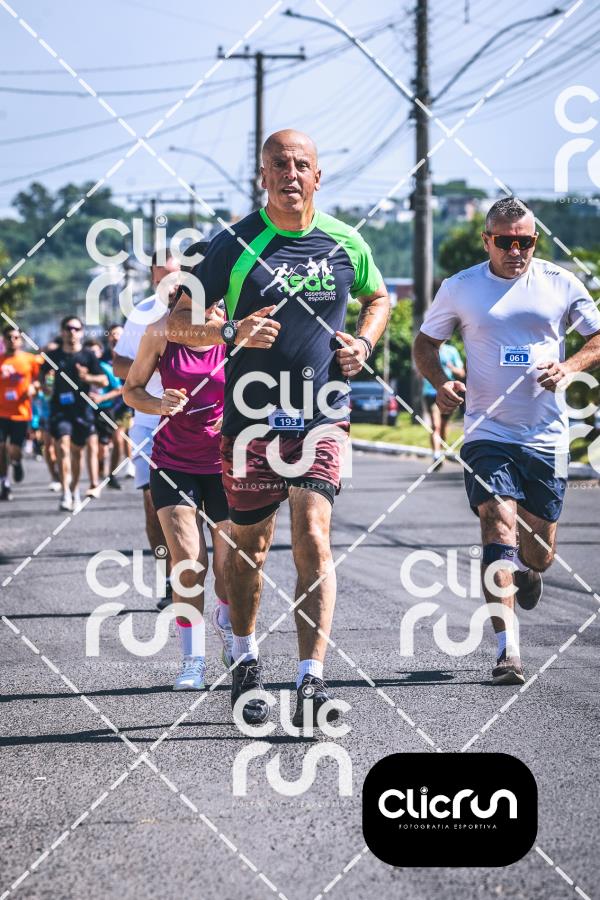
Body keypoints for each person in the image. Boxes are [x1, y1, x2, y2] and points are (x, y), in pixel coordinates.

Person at [167, 128, 389, 727]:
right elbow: (177, 323)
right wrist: (230, 332)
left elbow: (378, 298)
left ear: (318, 175)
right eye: (279, 165)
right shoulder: (233, 244)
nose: (291, 174)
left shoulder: (346, 241)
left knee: (314, 534)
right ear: (262, 176)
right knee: (250, 547)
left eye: (301, 164)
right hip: (250, 421)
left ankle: (311, 678)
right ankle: (243, 656)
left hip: (321, 413)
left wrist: (364, 342)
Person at [414, 197, 600, 685]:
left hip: (546, 437)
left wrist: (570, 366)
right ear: (487, 241)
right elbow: (425, 343)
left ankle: (529, 569)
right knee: (497, 524)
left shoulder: (560, 283)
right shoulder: (461, 287)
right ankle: (507, 652)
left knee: (538, 551)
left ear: (535, 241)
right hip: (486, 432)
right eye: (505, 242)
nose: (516, 251)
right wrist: (440, 382)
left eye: (526, 242)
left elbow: (597, 336)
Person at [124, 296, 230, 690]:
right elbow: (132, 390)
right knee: (188, 562)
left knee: (229, 569)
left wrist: (237, 416)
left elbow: (265, 392)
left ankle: (227, 620)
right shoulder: (160, 333)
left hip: (226, 464)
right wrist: (158, 403)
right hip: (172, 461)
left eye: (215, 299)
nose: (208, 307)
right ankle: (193, 661)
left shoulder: (235, 334)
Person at [113, 251, 183, 609]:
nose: (168, 284)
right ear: (153, 277)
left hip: (196, 424)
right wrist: (151, 364)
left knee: (199, 506)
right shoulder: (142, 313)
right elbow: (118, 364)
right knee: (154, 503)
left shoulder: (207, 312)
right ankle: (170, 579)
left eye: (174, 276)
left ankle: (198, 575)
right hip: (148, 422)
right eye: (161, 277)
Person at [41, 316, 108, 512]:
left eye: (76, 329)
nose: (72, 332)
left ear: (81, 332)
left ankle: (75, 490)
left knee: (77, 453)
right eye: (68, 328)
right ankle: (65, 493)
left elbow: (103, 380)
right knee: (62, 446)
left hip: (82, 410)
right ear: (62, 331)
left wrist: (87, 377)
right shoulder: (52, 356)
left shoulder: (88, 356)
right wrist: (47, 384)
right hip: (59, 410)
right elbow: (43, 382)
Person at [0, 326, 43, 500]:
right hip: (1, 412)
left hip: (21, 413)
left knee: (14, 449)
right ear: (4, 340)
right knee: (1, 448)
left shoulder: (30, 360)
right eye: (9, 337)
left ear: (21, 340)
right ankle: (4, 483)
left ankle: (16, 462)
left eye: (16, 337)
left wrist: (35, 387)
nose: (12, 340)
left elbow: (42, 380)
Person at [84, 338, 125, 490]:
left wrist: (101, 398)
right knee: (92, 445)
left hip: (106, 410)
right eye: (88, 351)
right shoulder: (80, 369)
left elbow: (118, 389)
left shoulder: (105, 368)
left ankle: (110, 474)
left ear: (100, 352)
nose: (92, 354)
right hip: (86, 411)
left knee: (108, 445)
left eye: (95, 351)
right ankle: (94, 481)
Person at [422, 341, 465, 465]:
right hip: (431, 392)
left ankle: (440, 450)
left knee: (444, 426)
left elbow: (461, 373)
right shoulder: (427, 348)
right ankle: (436, 455)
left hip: (448, 393)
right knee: (435, 425)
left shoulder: (451, 351)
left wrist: (452, 368)